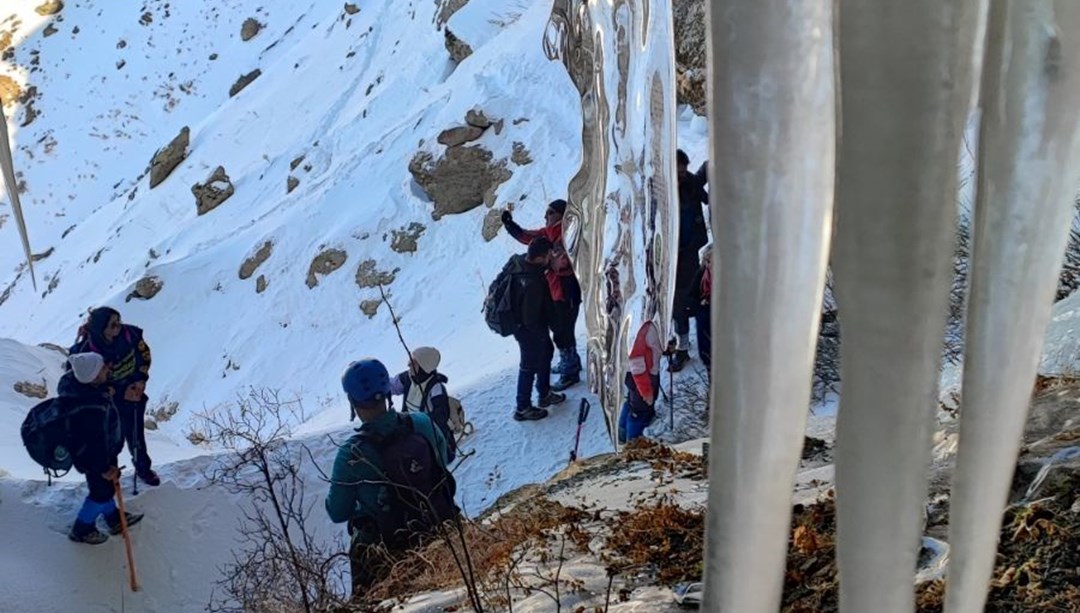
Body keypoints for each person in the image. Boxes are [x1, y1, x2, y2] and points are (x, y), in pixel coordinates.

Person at [325, 359, 457, 602]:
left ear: (353, 402)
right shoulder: (421, 423)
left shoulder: (351, 452)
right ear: (387, 393)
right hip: (437, 524)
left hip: (385, 549)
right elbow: (443, 459)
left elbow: (337, 511)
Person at [69, 307, 159, 486]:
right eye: (112, 325)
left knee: (136, 435)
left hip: (133, 393)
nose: (118, 327)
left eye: (118, 321)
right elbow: (86, 383)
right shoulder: (86, 351)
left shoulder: (130, 335)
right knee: (108, 441)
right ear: (100, 329)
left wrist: (140, 381)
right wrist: (118, 391)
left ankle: (142, 467)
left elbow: (144, 357)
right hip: (106, 403)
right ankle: (108, 476)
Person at [62, 352, 144, 544]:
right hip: (95, 460)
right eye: (103, 367)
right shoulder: (90, 408)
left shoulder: (84, 390)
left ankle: (113, 518)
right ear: (93, 376)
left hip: (98, 456)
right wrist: (104, 468)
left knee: (105, 488)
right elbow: (94, 443)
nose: (108, 367)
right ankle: (82, 529)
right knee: (100, 493)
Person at [501, 199, 583, 390]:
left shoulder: (568, 234)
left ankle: (570, 371)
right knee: (561, 328)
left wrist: (545, 264)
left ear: (562, 215)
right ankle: (571, 362)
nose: (545, 216)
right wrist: (509, 224)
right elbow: (527, 237)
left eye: (550, 212)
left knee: (564, 331)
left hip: (567, 289)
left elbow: (563, 264)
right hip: (555, 291)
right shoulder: (548, 233)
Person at [501, 237, 567, 421]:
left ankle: (544, 393)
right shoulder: (532, 283)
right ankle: (523, 407)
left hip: (523, 325)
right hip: (528, 329)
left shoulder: (521, 262)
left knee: (545, 353)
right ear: (541, 257)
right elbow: (530, 317)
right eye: (549, 255)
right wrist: (543, 333)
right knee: (529, 364)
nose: (550, 258)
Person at [670, 150, 710, 372]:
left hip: (689, 252)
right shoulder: (660, 190)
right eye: (678, 168)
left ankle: (693, 343)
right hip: (669, 254)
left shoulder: (691, 183)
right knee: (677, 303)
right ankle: (682, 347)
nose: (682, 172)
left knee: (690, 298)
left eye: (684, 167)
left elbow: (706, 174)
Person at [389, 346, 457, 462]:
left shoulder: (436, 388)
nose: (408, 365)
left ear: (424, 366)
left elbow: (439, 419)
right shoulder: (408, 377)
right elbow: (391, 387)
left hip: (427, 435)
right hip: (409, 430)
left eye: (413, 363)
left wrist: (413, 423)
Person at [618, 322, 663, 443]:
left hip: (634, 374)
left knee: (632, 402)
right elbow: (636, 364)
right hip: (642, 376)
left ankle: (622, 433)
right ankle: (633, 445)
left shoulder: (643, 323)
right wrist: (646, 390)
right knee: (639, 410)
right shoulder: (639, 326)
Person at [686, 243, 713, 381]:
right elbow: (689, 298)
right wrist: (700, 305)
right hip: (704, 322)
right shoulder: (701, 274)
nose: (711, 264)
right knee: (708, 358)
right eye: (708, 260)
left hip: (721, 324)